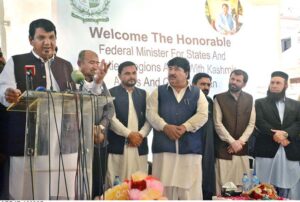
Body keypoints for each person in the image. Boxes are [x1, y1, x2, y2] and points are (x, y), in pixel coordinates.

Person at [0, 19, 75, 199]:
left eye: (51, 37)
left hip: (58, 143)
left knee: (55, 190)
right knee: (23, 191)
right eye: (41, 37)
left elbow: (74, 96)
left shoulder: (65, 66)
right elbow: (3, 89)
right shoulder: (16, 62)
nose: (47, 42)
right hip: (27, 140)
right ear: (30, 40)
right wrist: (8, 94)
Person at [147, 57, 208, 200]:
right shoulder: (158, 91)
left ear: (186, 73)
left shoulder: (197, 93)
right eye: (170, 69)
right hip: (164, 148)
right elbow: (150, 113)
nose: (172, 72)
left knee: (189, 191)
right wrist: (165, 127)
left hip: (190, 150)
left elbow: (203, 114)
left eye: (176, 69)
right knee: (162, 189)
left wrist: (185, 127)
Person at [254, 71, 300, 200]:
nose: (274, 85)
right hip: (267, 149)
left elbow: (298, 123)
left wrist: (286, 134)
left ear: (285, 85)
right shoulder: (260, 103)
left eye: (278, 83)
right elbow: (260, 122)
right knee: (265, 189)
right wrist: (275, 135)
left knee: (290, 190)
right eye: (272, 82)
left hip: (289, 150)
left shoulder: (296, 105)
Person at [106, 61, 151, 186]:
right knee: (116, 186)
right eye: (127, 73)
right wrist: (129, 134)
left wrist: (140, 135)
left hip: (138, 145)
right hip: (119, 146)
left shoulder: (144, 94)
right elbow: (111, 119)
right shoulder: (110, 93)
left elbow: (150, 119)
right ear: (119, 76)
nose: (131, 76)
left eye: (134, 73)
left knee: (139, 186)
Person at [77, 50, 114, 198]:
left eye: (97, 63)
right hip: (78, 143)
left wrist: (100, 128)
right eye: (92, 62)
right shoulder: (71, 81)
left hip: (99, 140)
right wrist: (88, 129)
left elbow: (110, 108)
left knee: (98, 185)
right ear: (80, 64)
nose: (96, 66)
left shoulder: (101, 83)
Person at [213, 69, 255, 195]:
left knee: (242, 188)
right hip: (224, 150)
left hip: (242, 150)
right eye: (232, 79)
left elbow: (251, 123)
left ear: (244, 84)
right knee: (223, 187)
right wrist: (232, 142)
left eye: (238, 80)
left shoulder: (249, 98)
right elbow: (217, 123)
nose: (234, 82)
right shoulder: (219, 98)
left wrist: (240, 142)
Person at [192, 72, 216, 199]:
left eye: (208, 85)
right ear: (193, 84)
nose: (206, 87)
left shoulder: (209, 101)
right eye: (202, 84)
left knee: (206, 177)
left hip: (207, 144)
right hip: (192, 145)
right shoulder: (188, 100)